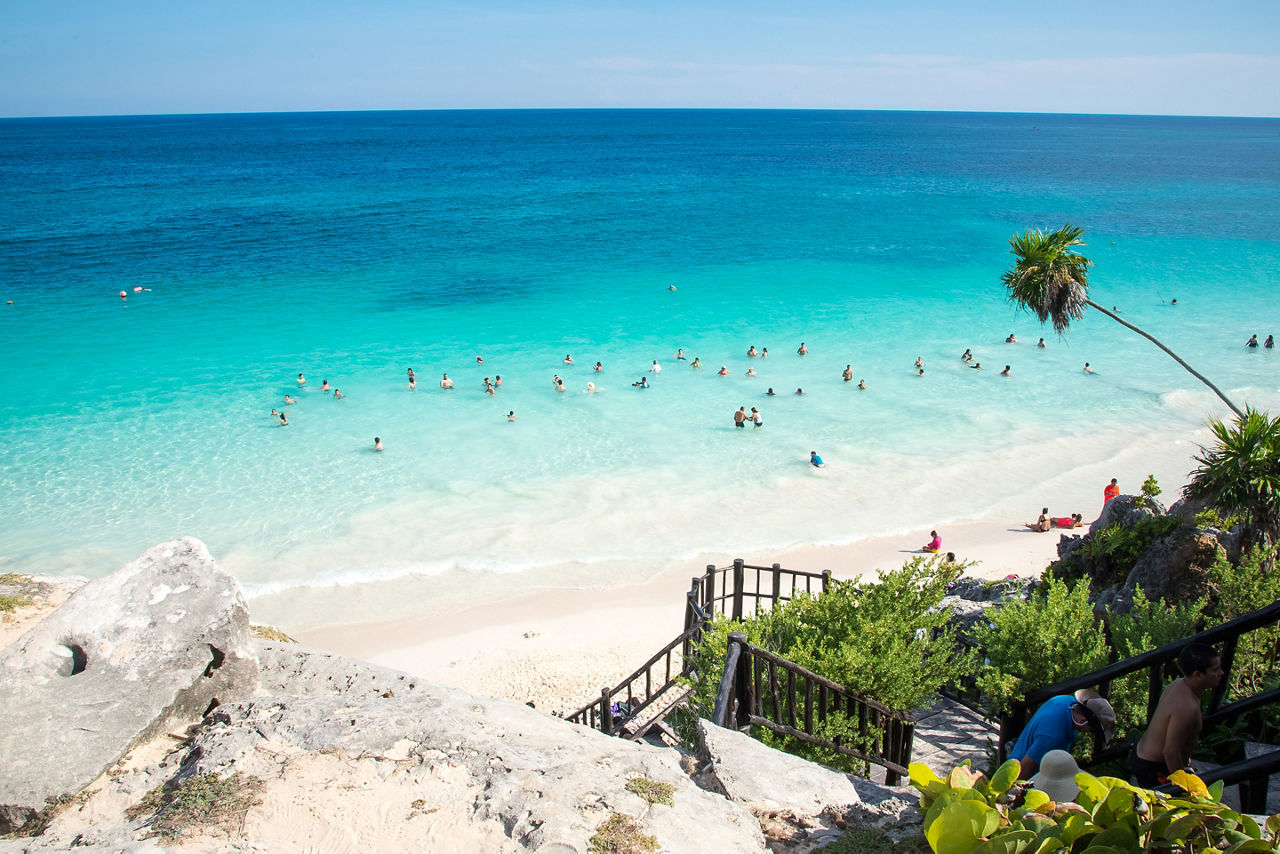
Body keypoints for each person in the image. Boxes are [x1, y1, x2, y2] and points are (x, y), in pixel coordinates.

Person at [1130, 643, 1223, 787]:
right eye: (1215, 670)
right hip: (1153, 768)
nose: (1221, 673)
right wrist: (1184, 785)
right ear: (1197, 674)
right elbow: (1170, 751)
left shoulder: (1179, 684)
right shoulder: (1187, 707)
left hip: (1142, 754)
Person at [1008, 689, 1116, 778]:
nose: (1089, 733)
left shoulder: (1066, 700)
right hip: (1024, 775)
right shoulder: (1053, 737)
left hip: (1025, 760)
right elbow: (1025, 769)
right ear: (1083, 721)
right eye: (1092, 730)